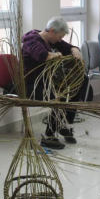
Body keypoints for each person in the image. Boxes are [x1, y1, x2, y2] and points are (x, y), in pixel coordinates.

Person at [22, 16, 83, 150]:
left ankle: (61, 124)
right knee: (59, 97)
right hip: (30, 85)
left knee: (76, 87)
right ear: (52, 31)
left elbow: (69, 47)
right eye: (59, 37)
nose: (60, 40)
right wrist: (55, 55)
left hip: (45, 82)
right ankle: (49, 136)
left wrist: (75, 50)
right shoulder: (32, 39)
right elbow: (41, 55)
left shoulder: (52, 40)